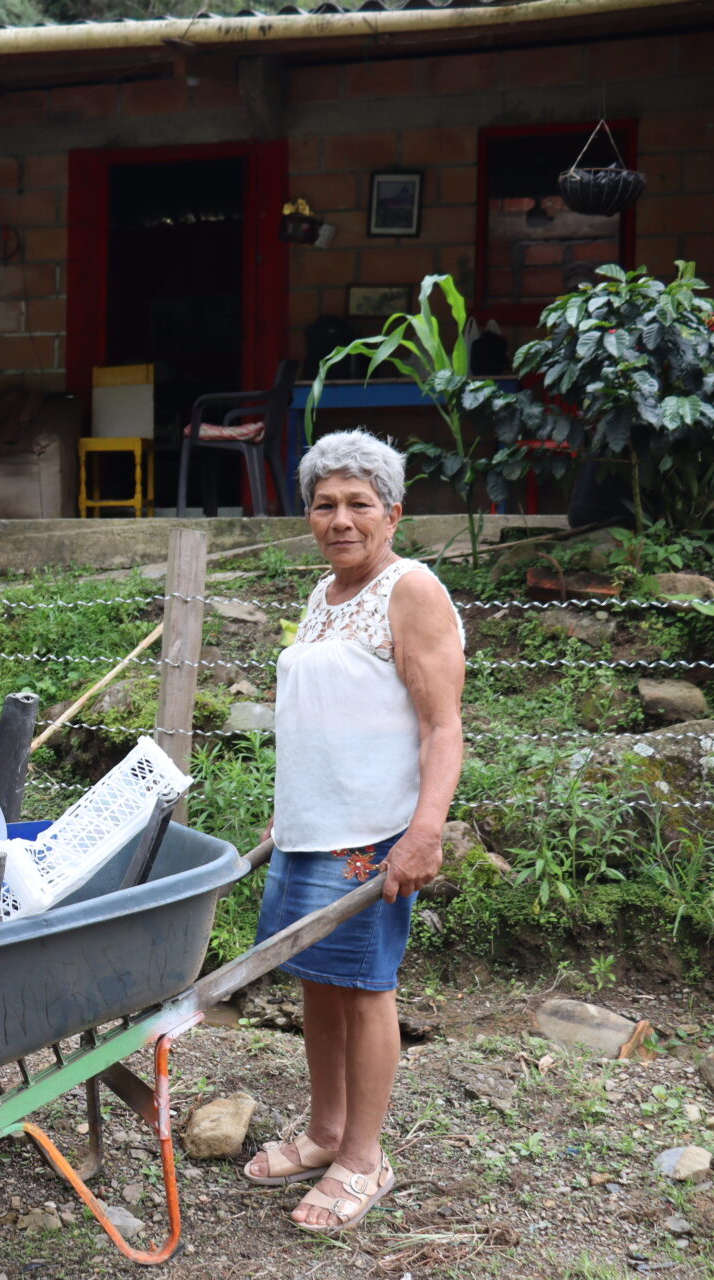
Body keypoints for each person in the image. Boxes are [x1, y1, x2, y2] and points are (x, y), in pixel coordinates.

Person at [242, 429, 464, 1233]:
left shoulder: (412, 590)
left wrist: (425, 831)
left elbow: (443, 727)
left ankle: (364, 1160)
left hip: (373, 834)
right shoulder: (323, 594)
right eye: (325, 505)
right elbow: (331, 718)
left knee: (366, 991)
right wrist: (291, 806)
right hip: (309, 830)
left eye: (358, 505)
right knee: (319, 987)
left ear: (393, 514)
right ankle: (326, 1131)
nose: (340, 519)